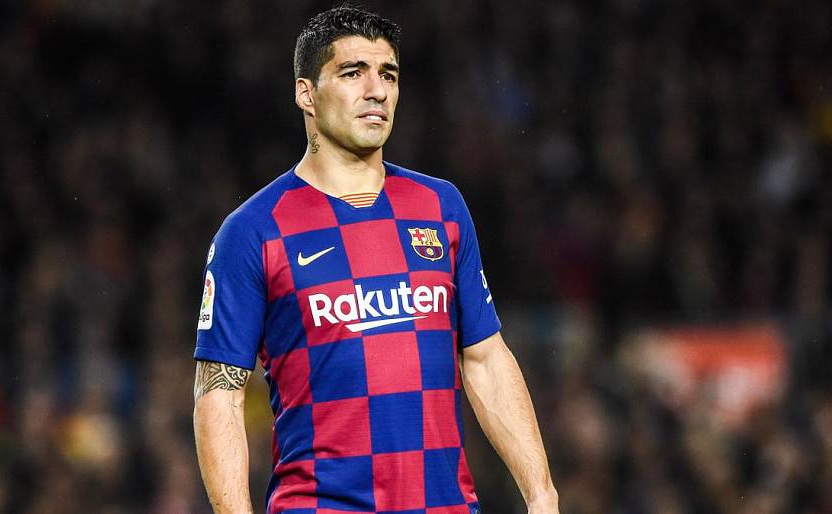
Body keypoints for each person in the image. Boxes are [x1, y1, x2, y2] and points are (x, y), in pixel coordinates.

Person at [192, 6, 560, 514]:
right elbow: (220, 393)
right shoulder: (254, 231)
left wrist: (542, 494)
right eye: (352, 73)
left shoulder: (441, 207)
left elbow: (485, 357)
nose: (377, 91)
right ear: (306, 94)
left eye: (388, 74)